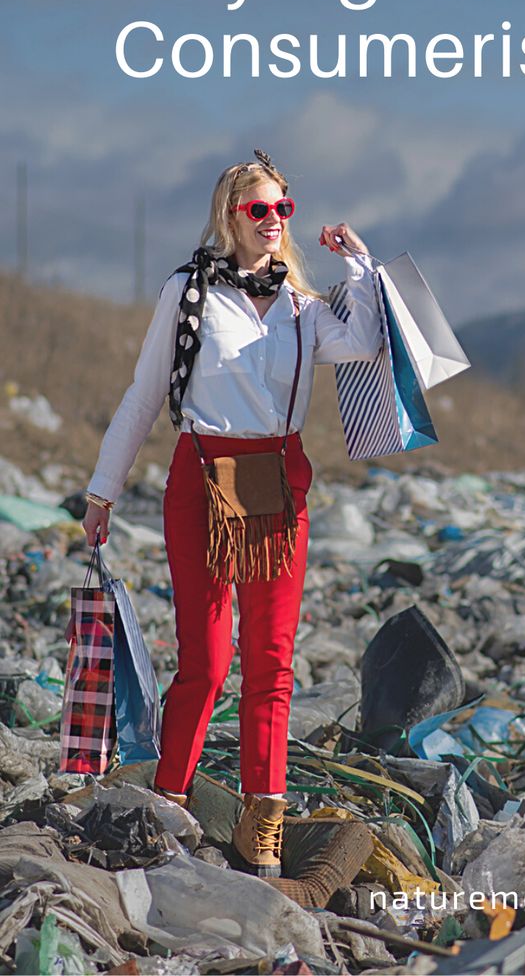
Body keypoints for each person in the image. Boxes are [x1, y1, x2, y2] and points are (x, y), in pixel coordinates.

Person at [82, 149, 383, 877]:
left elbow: (369, 341)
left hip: (279, 481)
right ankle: (171, 803)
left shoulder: (307, 312)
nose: (275, 222)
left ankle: (263, 820)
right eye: (260, 210)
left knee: (273, 661)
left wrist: (359, 266)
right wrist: (102, 492)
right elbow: (144, 393)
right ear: (230, 216)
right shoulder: (187, 292)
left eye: (284, 209)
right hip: (199, 479)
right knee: (207, 660)